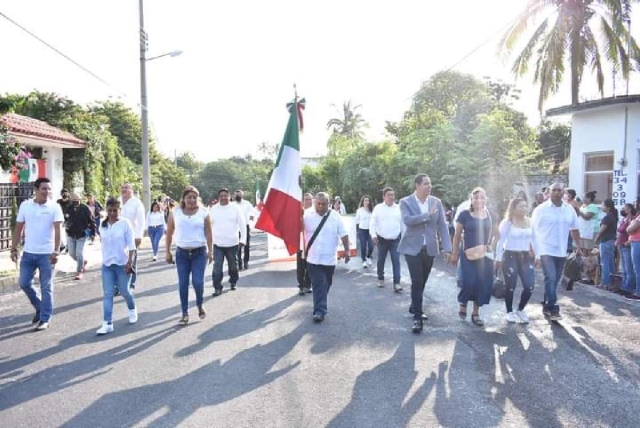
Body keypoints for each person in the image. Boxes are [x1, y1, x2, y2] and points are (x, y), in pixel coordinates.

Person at [398, 174, 451, 333]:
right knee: (417, 280)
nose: (430, 186)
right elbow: (408, 220)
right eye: (426, 184)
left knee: (422, 281)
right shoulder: (405, 202)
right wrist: (427, 215)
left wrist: (447, 248)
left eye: (430, 183)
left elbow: (442, 225)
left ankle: (415, 305)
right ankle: (417, 317)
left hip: (430, 248)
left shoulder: (436, 202)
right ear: (417, 185)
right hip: (412, 248)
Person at [11, 177, 64, 331]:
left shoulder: (54, 207)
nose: (46, 192)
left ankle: (45, 319)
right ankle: (40, 307)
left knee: (46, 286)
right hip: (28, 253)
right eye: (44, 189)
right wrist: (14, 248)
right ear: (36, 189)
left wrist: (56, 251)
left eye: (49, 189)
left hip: (47, 255)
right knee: (24, 283)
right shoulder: (26, 206)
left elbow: (58, 231)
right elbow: (18, 228)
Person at [531, 182, 581, 320]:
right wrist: (534, 252)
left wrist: (578, 246)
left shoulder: (569, 209)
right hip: (545, 249)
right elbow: (532, 231)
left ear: (564, 192)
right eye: (554, 190)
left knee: (554, 280)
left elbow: (574, 228)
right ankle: (554, 309)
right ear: (549, 192)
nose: (557, 192)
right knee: (551, 277)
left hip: (561, 250)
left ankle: (547, 305)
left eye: (560, 190)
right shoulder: (541, 210)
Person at [165, 186, 213, 324]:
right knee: (183, 284)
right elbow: (169, 233)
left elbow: (209, 233)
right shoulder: (175, 212)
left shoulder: (204, 212)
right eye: (188, 197)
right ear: (183, 199)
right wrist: (167, 251)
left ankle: (199, 304)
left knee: (198, 282)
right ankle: (184, 313)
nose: (191, 200)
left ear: (198, 198)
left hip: (199, 252)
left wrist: (211, 252)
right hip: (182, 254)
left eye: (194, 197)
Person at [450, 187, 494, 327]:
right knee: (469, 281)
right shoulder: (464, 214)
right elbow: (457, 236)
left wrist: (491, 245)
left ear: (485, 199)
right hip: (468, 254)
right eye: (476, 198)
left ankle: (476, 313)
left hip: (484, 255)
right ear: (471, 199)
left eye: (481, 197)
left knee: (481, 283)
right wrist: (454, 253)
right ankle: (463, 302)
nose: (478, 200)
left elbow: (497, 233)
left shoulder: (491, 215)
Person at [303, 192, 350, 322]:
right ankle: (319, 311)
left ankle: (320, 302)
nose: (320, 207)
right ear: (314, 203)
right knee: (319, 283)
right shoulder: (307, 215)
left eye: (323, 204)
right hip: (313, 258)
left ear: (328, 204)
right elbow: (298, 229)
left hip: (329, 259)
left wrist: (347, 250)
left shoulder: (335, 217)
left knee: (326, 284)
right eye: (318, 204)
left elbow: (344, 234)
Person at [96, 198, 138, 335]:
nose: (113, 213)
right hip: (107, 264)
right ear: (106, 211)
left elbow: (131, 246)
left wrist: (130, 263)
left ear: (120, 210)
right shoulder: (103, 225)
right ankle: (107, 323)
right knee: (108, 293)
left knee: (124, 291)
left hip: (122, 264)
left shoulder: (125, 224)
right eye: (110, 210)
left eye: (115, 210)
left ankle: (132, 309)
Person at [495, 198, 536, 324]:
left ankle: (521, 309)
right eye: (521, 206)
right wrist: (498, 258)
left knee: (529, 286)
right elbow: (500, 241)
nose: (524, 209)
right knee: (510, 286)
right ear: (513, 208)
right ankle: (509, 311)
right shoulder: (507, 223)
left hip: (526, 257)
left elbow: (535, 239)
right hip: (510, 256)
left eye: (525, 206)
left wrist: (537, 255)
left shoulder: (530, 221)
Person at [210, 188, 246, 296]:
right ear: (218, 197)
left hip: (232, 243)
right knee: (217, 266)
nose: (223, 198)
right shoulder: (214, 209)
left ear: (229, 196)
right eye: (221, 196)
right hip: (217, 243)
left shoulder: (235, 208)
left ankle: (233, 281)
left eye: (225, 195)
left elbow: (242, 224)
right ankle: (217, 287)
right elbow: (209, 225)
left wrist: (243, 239)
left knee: (233, 266)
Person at [369, 187, 402, 290]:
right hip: (382, 239)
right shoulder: (378, 208)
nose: (391, 197)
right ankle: (380, 279)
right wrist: (373, 235)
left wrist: (405, 236)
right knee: (381, 260)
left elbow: (403, 223)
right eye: (389, 195)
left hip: (395, 239)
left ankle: (397, 283)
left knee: (396, 261)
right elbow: (372, 223)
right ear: (384, 196)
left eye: (392, 195)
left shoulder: (398, 208)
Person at [64, 193, 95, 280]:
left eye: (76, 200)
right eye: (73, 200)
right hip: (70, 234)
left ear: (80, 199)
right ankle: (82, 262)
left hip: (81, 234)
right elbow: (65, 219)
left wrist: (93, 233)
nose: (75, 202)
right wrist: (66, 223)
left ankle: (79, 271)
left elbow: (91, 221)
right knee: (72, 254)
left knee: (79, 253)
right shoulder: (68, 208)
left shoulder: (85, 208)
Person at [120, 183, 145, 290]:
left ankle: (131, 283)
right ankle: (119, 285)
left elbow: (141, 221)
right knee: (119, 260)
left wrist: (139, 236)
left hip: (132, 236)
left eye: (127, 188)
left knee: (131, 260)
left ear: (131, 190)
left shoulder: (137, 203)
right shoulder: (118, 201)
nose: (124, 190)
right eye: (123, 188)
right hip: (118, 236)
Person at [593, 199, 618, 289]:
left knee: (605, 263)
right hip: (611, 241)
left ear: (608, 207)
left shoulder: (608, 217)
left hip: (605, 241)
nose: (602, 207)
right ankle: (612, 281)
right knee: (610, 262)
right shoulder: (613, 216)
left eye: (603, 205)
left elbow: (601, 230)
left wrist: (596, 238)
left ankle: (605, 282)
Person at [616, 203, 636, 297]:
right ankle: (624, 286)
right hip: (621, 244)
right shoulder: (624, 219)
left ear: (629, 210)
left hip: (626, 245)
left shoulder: (632, 220)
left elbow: (630, 232)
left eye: (625, 209)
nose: (623, 210)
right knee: (624, 268)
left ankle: (629, 288)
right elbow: (620, 229)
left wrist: (627, 242)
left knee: (629, 268)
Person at [297, 192, 314, 295]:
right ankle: (301, 286)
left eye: (309, 199)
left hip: (311, 243)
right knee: (300, 266)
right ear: (303, 201)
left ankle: (308, 284)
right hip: (300, 242)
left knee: (310, 265)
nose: (308, 201)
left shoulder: (315, 212)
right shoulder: (299, 212)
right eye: (306, 199)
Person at [573, 191, 599, 257]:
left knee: (589, 248)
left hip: (591, 230)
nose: (583, 199)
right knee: (584, 248)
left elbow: (587, 217)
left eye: (584, 197)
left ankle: (591, 264)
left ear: (589, 198)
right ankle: (585, 263)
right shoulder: (583, 206)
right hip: (583, 230)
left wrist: (578, 210)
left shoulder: (592, 206)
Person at [234, 189, 254, 270]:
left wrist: (251, 223)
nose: (238, 196)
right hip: (235, 227)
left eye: (239, 194)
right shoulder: (232, 205)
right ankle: (239, 263)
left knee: (246, 245)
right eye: (236, 194)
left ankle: (246, 262)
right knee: (237, 246)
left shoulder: (247, 204)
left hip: (245, 226)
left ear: (242, 195)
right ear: (234, 195)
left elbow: (252, 213)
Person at [355, 195, 374, 269]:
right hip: (362, 230)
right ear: (362, 202)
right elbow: (357, 221)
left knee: (371, 246)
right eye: (365, 200)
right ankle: (364, 260)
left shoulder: (372, 210)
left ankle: (368, 256)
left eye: (367, 200)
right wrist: (356, 230)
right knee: (363, 246)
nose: (366, 202)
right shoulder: (360, 210)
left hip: (370, 230)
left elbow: (374, 220)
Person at [57, 188, 71, 253]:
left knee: (67, 234)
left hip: (68, 220)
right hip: (60, 219)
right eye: (63, 193)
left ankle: (68, 246)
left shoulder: (70, 202)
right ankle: (61, 245)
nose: (64, 194)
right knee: (58, 232)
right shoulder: (58, 201)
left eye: (65, 193)